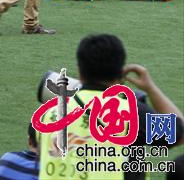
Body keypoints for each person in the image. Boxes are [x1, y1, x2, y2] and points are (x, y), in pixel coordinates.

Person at [37, 34, 184, 180]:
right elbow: (180, 133)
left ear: (80, 71)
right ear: (121, 73)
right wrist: (150, 88)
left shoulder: (49, 115)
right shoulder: (129, 112)